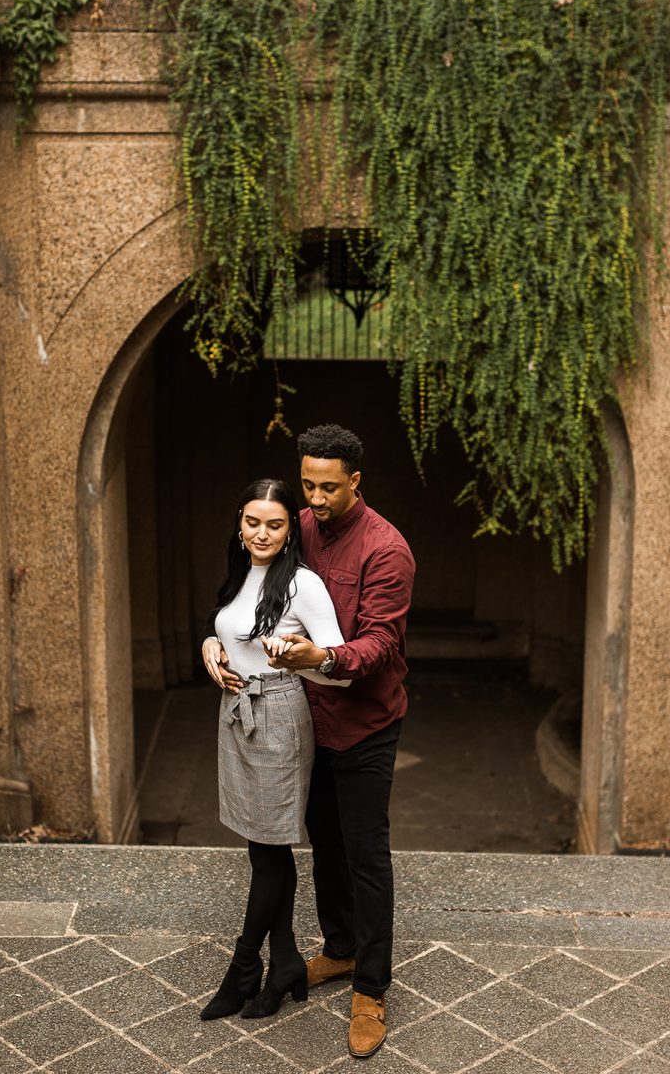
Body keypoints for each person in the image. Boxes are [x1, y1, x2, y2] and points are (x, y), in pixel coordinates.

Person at [205, 425, 415, 1059]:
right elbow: (244, 602)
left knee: (365, 854)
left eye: (329, 487)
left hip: (363, 722)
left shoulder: (387, 550)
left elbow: (381, 645)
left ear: (357, 481)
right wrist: (215, 644)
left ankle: (372, 989)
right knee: (322, 840)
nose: (315, 499)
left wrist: (321, 656)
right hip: (298, 721)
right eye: (308, 484)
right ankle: (341, 948)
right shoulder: (292, 523)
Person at [199, 478, 347, 1023]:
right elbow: (229, 628)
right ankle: (283, 961)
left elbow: (337, 669)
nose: (262, 533)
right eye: (253, 521)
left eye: (275, 524)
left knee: (269, 849)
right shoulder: (242, 572)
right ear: (240, 523)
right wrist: (210, 645)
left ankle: (242, 970)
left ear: (291, 531)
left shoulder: (302, 584)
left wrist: (302, 659)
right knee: (263, 849)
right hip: (237, 718)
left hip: (279, 717)